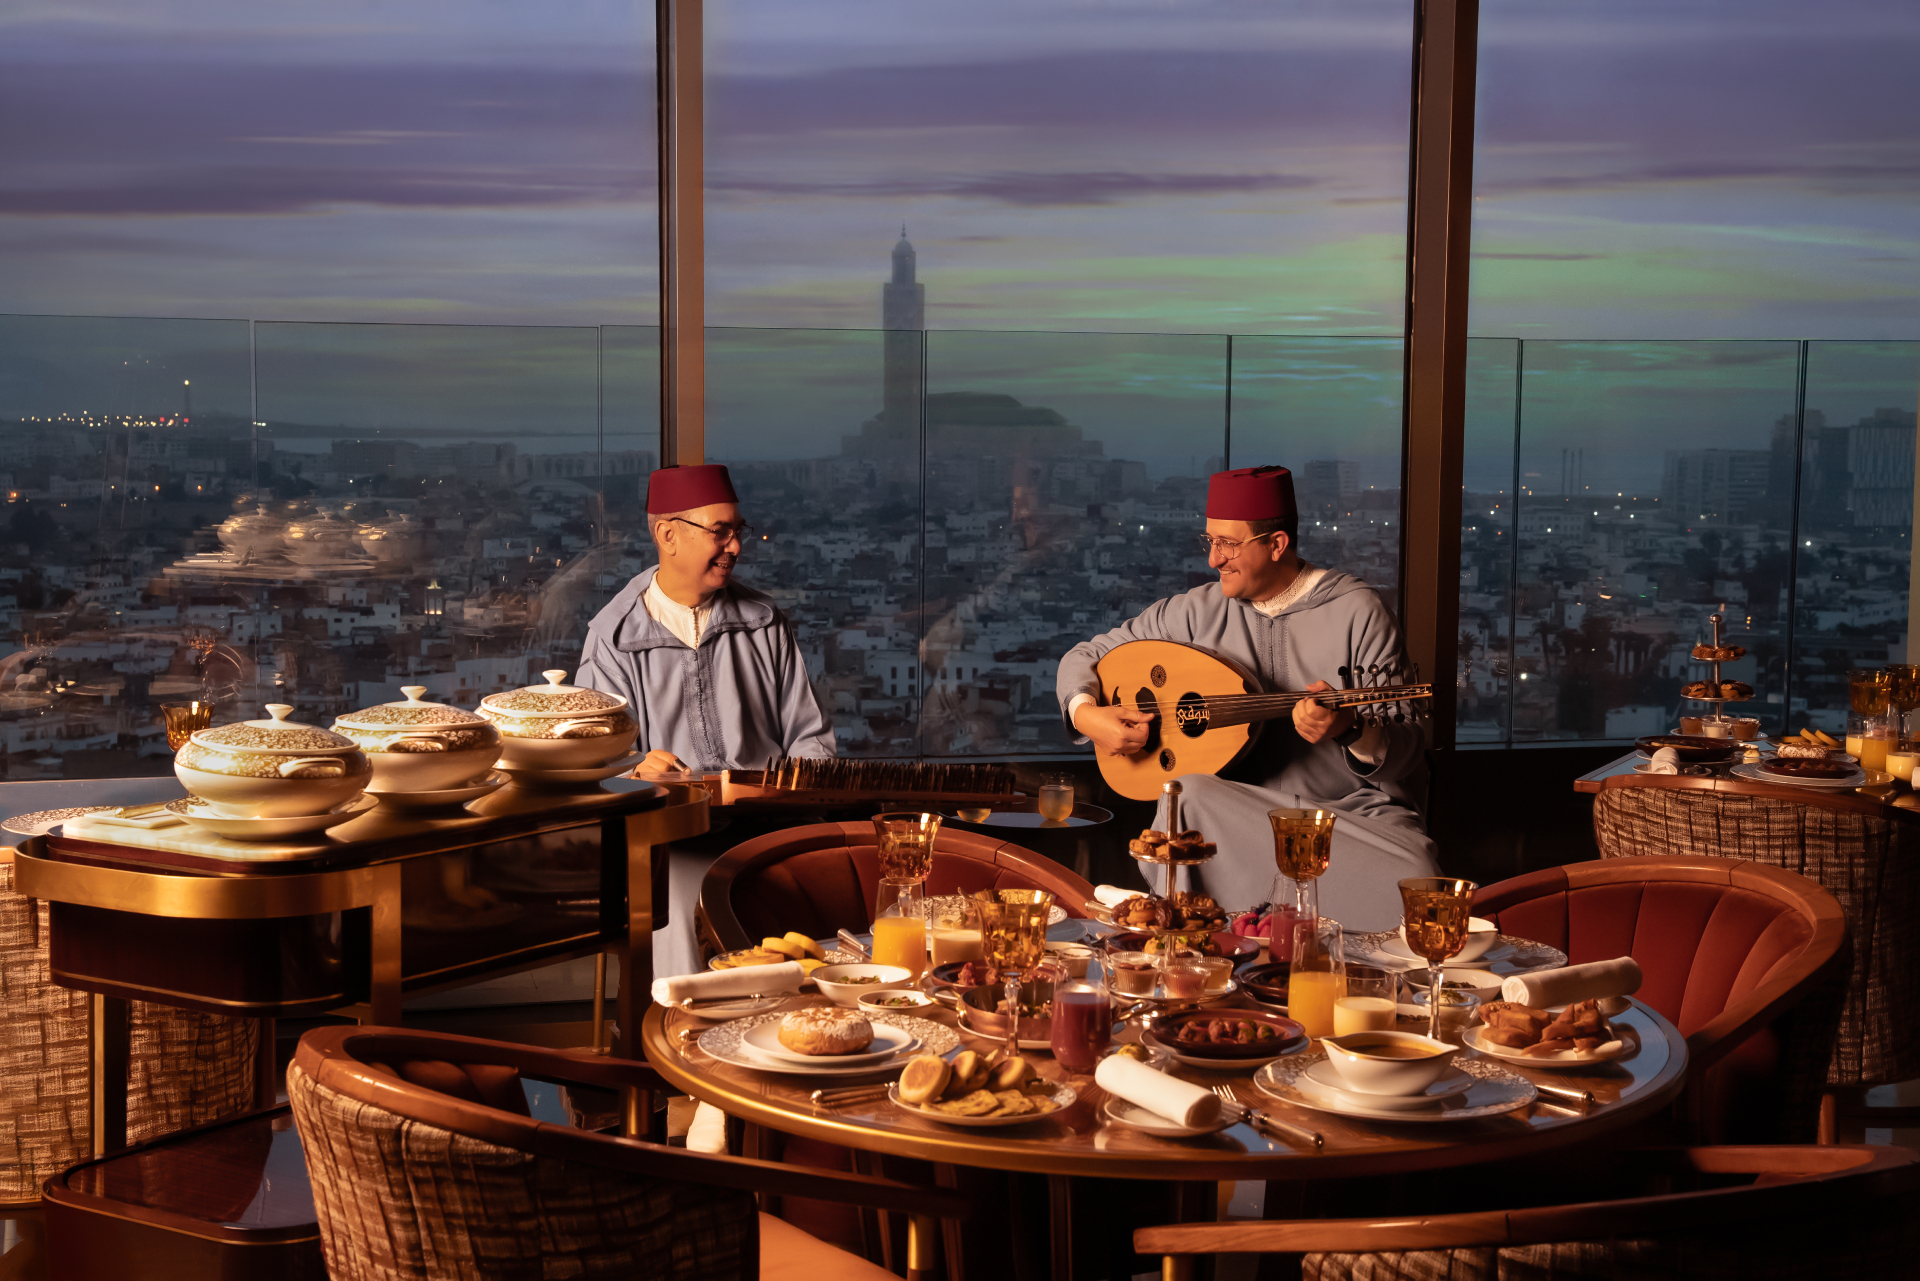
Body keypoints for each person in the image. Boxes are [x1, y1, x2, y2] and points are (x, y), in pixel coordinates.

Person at [1056, 464, 1438, 930]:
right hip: (1236, 820)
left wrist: (1351, 728)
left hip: (1346, 818)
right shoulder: (1196, 611)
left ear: (1276, 544)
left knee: (1418, 877)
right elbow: (1087, 654)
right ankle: (1199, 943)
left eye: (1229, 544)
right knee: (1188, 794)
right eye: (1209, 541)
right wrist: (1086, 714)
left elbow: (1406, 753)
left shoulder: (1359, 612)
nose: (1214, 559)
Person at [577, 462, 834, 975]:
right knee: (679, 918)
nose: (736, 546)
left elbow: (814, 741)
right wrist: (637, 774)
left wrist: (791, 786)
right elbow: (594, 762)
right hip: (672, 843)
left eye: (737, 531)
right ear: (668, 535)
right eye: (721, 532)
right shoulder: (614, 638)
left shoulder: (765, 624)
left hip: (770, 834)